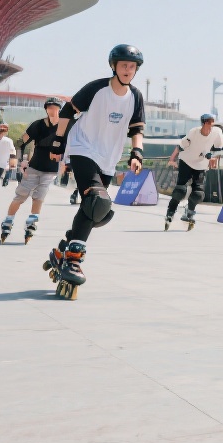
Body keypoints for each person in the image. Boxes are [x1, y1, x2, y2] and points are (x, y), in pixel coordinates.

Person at [44, 44, 146, 298]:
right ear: (114, 65)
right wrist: (58, 142)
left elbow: (136, 129)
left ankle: (62, 251)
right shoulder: (97, 88)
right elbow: (68, 111)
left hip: (108, 159)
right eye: (123, 65)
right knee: (97, 200)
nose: (127, 70)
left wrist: (137, 153)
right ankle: (73, 260)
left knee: (97, 211)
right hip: (82, 148)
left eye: (132, 66)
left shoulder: (135, 96)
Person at [0, 97, 64, 243]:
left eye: (55, 107)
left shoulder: (63, 127)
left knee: (39, 196)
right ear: (46, 109)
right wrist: (21, 159)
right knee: (21, 195)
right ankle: (8, 221)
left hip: (51, 170)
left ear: (59, 109)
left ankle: (32, 221)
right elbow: (20, 142)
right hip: (34, 167)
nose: (52, 110)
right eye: (49, 108)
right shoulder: (38, 125)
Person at [164, 113, 223, 230]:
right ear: (203, 123)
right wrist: (172, 159)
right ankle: (170, 212)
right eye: (207, 122)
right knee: (180, 190)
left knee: (198, 193)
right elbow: (180, 146)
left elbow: (218, 148)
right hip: (186, 160)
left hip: (201, 163)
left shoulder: (217, 132)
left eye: (211, 122)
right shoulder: (194, 132)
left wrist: (212, 157)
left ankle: (190, 211)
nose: (210, 124)